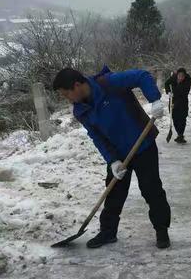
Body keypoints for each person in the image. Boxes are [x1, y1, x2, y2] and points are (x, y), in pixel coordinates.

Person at [52, 67, 171, 249]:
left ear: (76, 86)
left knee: (151, 188)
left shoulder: (108, 83)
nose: (66, 99)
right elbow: (96, 136)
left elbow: (141, 75)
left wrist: (154, 99)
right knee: (114, 191)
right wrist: (112, 160)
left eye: (66, 94)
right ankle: (108, 232)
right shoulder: (80, 110)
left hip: (143, 145)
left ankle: (161, 230)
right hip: (119, 153)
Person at [165, 68, 191, 144]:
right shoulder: (173, 78)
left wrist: (175, 105)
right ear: (177, 75)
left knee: (182, 119)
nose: (180, 78)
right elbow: (166, 84)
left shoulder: (188, 81)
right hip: (172, 100)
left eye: (182, 76)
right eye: (179, 76)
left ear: (185, 76)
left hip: (182, 102)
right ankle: (179, 134)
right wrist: (169, 92)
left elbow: (183, 95)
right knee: (175, 118)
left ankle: (180, 135)